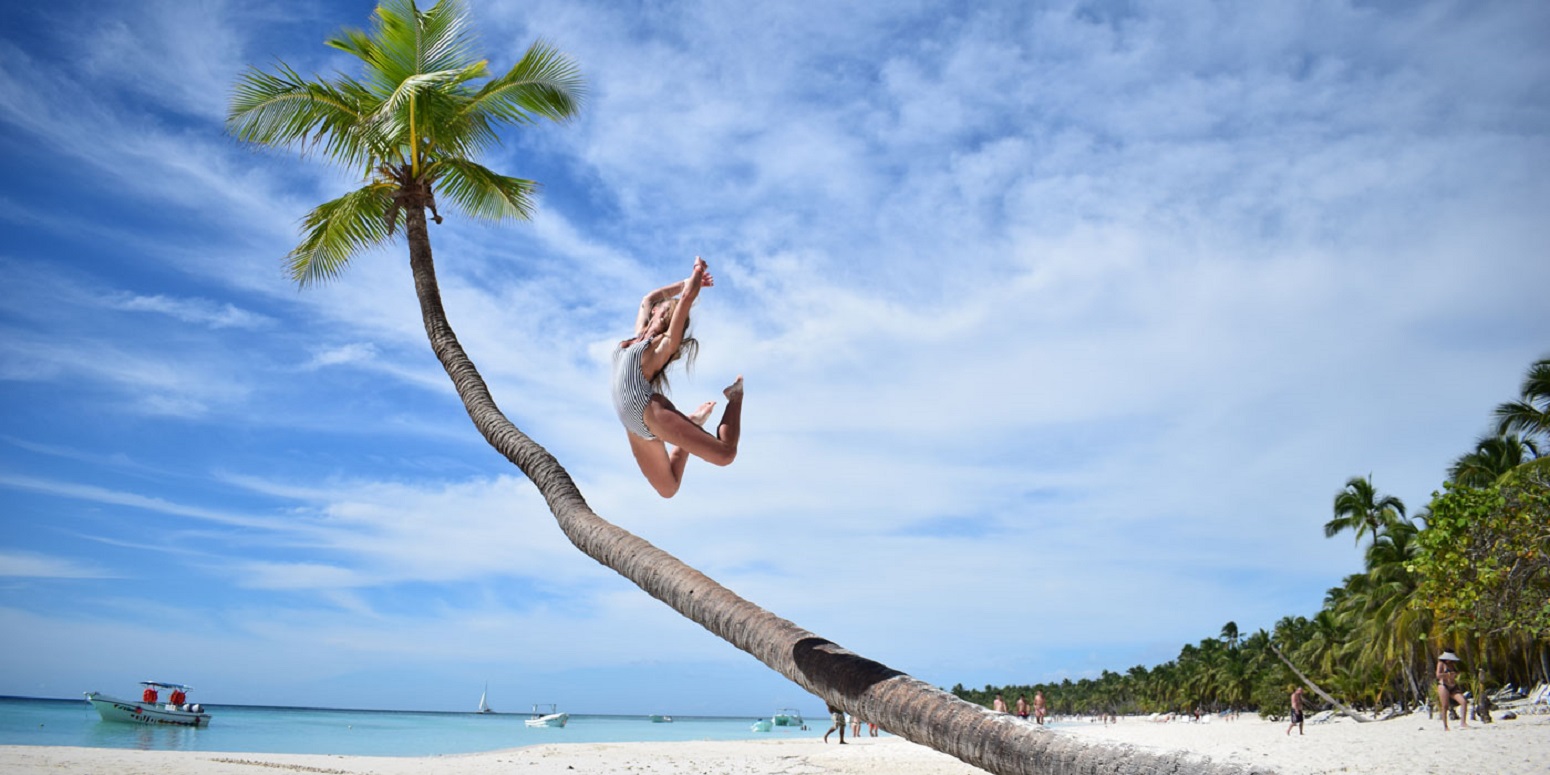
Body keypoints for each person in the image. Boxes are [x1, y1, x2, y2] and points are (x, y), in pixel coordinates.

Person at [611, 256, 744, 498]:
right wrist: (683, 282)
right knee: (668, 488)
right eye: (665, 307)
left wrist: (697, 271)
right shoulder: (637, 334)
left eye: (672, 314)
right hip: (631, 425)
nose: (667, 312)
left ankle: (735, 396)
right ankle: (691, 423)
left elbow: (686, 299)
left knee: (725, 454)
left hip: (647, 411)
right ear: (655, 310)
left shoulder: (662, 344)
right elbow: (648, 298)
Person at [1436, 651, 1469, 731]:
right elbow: (1438, 675)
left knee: (1463, 702)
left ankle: (1463, 722)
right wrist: (1448, 675)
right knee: (1445, 706)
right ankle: (1445, 726)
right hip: (1444, 686)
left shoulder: (1452, 664)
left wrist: (1456, 674)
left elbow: (1457, 672)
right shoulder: (1441, 663)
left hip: (1453, 686)